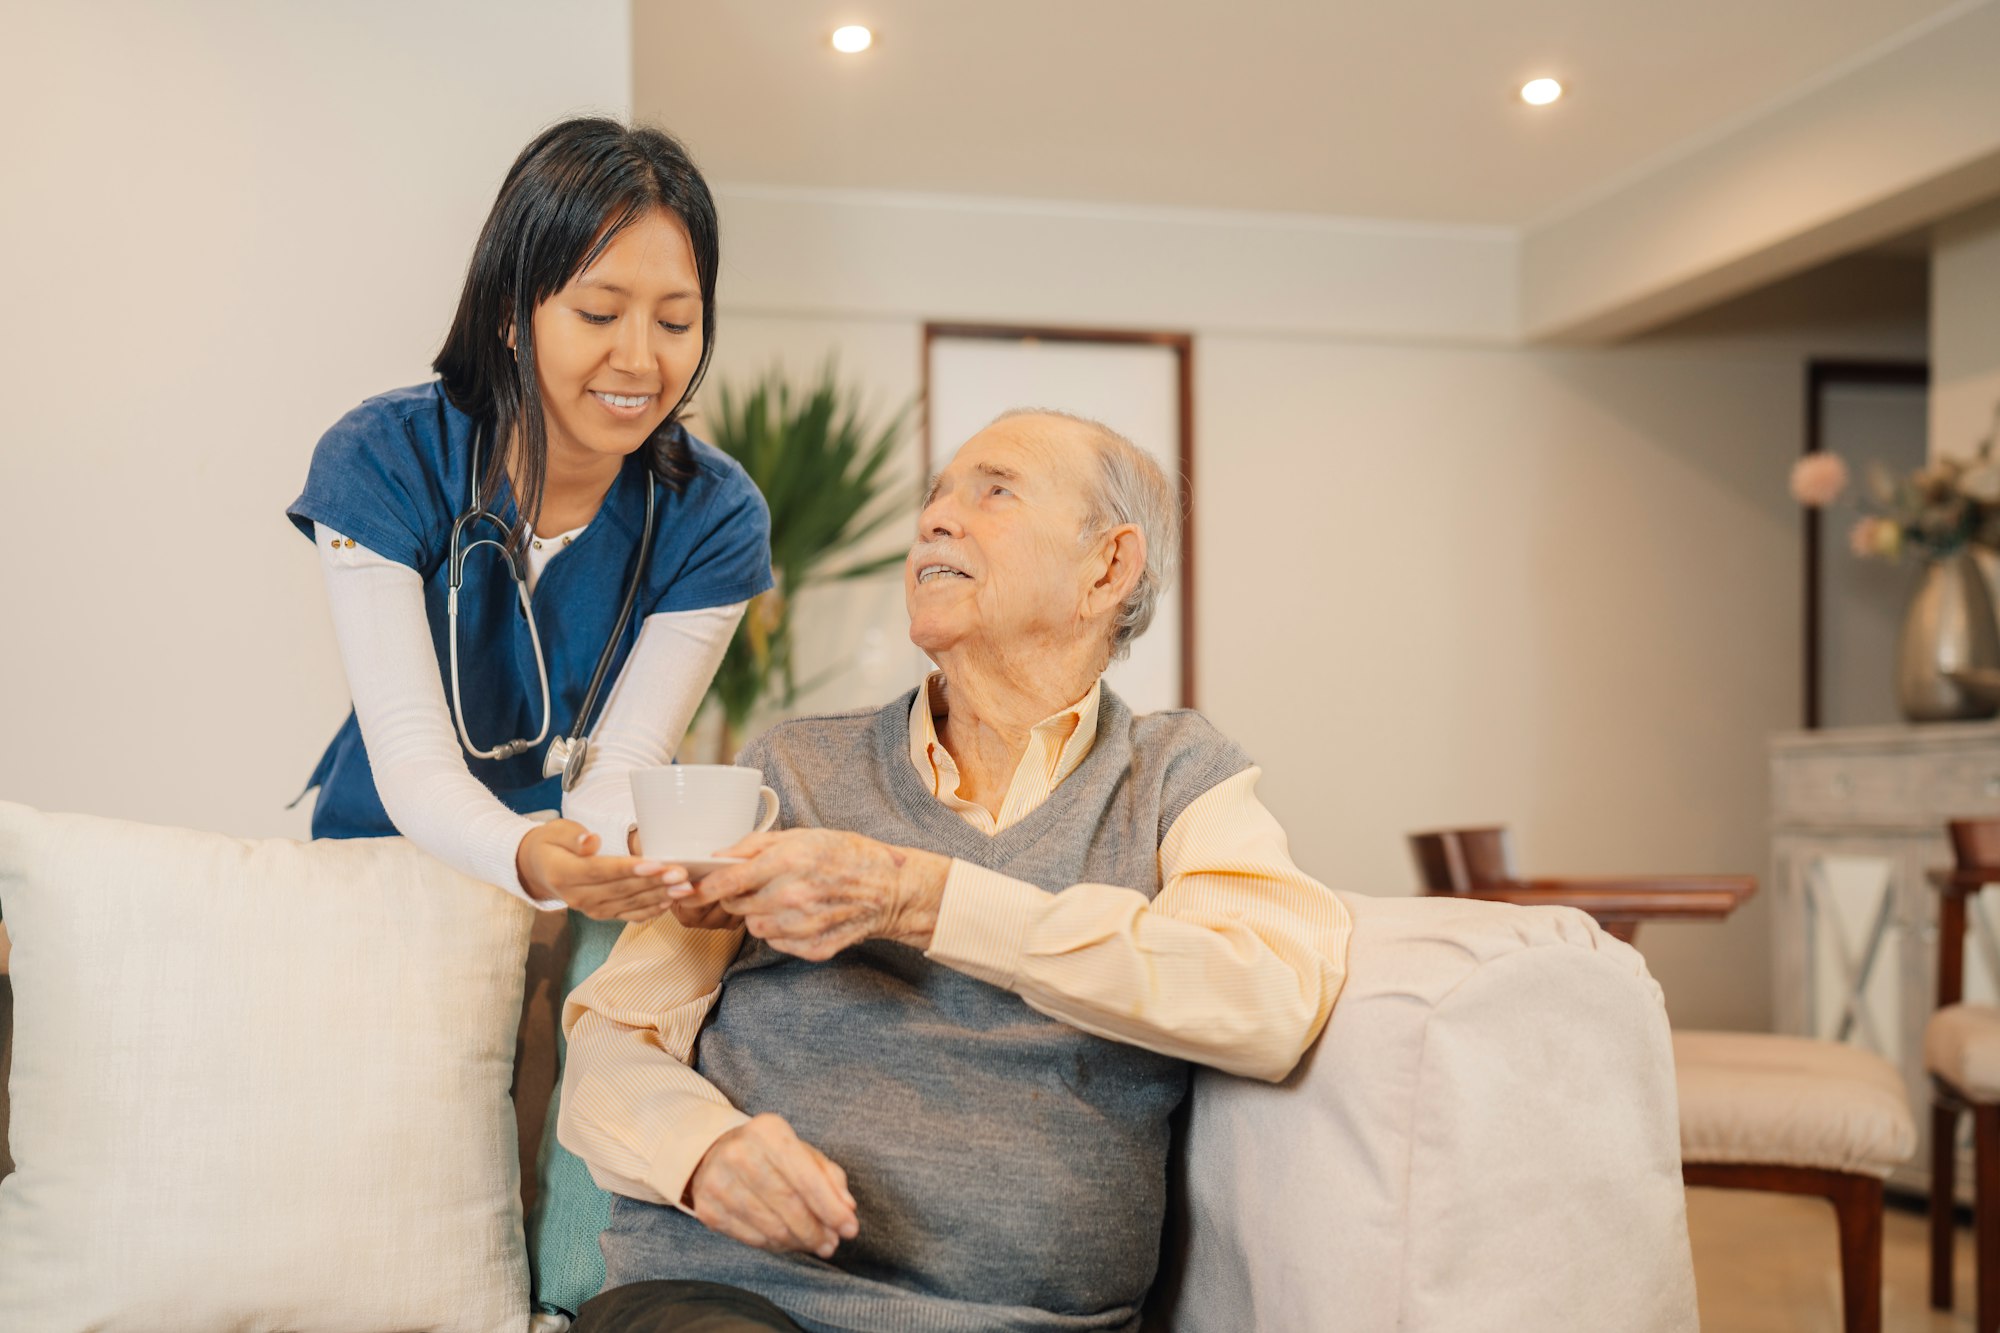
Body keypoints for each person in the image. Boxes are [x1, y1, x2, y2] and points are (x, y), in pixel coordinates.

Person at [558, 410, 1353, 1332]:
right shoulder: (792, 769)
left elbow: (1270, 997)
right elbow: (616, 1038)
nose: (936, 518)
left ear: (1109, 566)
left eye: (995, 491)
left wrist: (926, 898)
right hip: (732, 1299)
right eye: (935, 497)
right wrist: (701, 1151)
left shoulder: (1178, 779)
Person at [285, 118, 771, 1319]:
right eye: (597, 310)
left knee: (536, 1150)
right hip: (386, 862)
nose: (640, 357)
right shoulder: (386, 455)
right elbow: (406, 752)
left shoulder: (710, 513)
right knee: (380, 1190)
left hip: (569, 875)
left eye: (676, 318)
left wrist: (586, 853)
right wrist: (524, 849)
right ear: (513, 307)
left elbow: (632, 750)